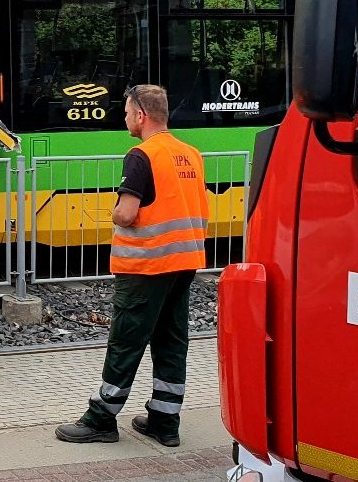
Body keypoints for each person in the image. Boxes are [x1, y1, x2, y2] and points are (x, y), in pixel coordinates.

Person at [55, 84, 207, 449]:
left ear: (141, 115)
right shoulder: (190, 154)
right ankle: (165, 420)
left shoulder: (141, 155)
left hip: (145, 267)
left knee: (125, 341)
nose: (124, 119)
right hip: (184, 263)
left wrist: (111, 213)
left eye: (125, 112)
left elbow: (126, 214)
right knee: (172, 341)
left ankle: (101, 418)